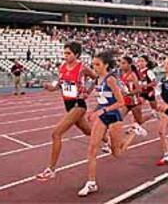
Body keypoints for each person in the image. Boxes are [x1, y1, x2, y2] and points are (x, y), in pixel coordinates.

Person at [78, 50, 138, 197]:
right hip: (102, 116)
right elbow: (101, 100)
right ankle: (91, 183)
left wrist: (102, 111)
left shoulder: (110, 80)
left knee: (117, 153)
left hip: (114, 116)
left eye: (97, 64)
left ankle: (133, 131)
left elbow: (121, 102)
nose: (95, 67)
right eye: (93, 64)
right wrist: (93, 111)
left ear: (106, 65)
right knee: (92, 149)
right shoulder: (96, 79)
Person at [36, 42, 97, 181]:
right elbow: (59, 85)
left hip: (78, 104)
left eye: (68, 53)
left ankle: (51, 169)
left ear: (76, 55)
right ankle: (107, 141)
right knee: (87, 131)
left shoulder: (82, 68)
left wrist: (88, 91)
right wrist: (49, 87)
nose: (66, 56)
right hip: (68, 104)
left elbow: (96, 78)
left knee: (56, 133)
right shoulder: (62, 67)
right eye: (64, 53)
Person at [118, 56, 147, 136]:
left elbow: (139, 90)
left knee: (140, 121)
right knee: (118, 120)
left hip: (134, 102)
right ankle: (112, 142)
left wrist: (128, 93)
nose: (121, 65)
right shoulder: (123, 74)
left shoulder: (133, 75)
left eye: (123, 63)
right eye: (120, 63)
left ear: (129, 64)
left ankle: (152, 114)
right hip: (126, 102)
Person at [137, 55, 159, 119]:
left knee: (155, 110)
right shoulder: (137, 72)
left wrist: (145, 85)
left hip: (150, 92)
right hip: (142, 93)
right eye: (139, 61)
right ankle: (136, 125)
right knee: (137, 108)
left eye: (142, 61)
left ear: (146, 63)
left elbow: (154, 83)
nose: (140, 63)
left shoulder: (149, 71)